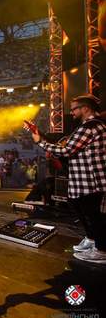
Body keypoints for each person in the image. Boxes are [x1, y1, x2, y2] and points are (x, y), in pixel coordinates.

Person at [28, 95, 106, 264]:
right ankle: (92, 239)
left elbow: (66, 151)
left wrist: (40, 142)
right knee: (80, 209)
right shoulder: (87, 126)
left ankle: (101, 250)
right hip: (82, 179)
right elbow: (66, 147)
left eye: (74, 109)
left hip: (90, 180)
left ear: (85, 108)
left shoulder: (91, 126)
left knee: (93, 215)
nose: (71, 112)